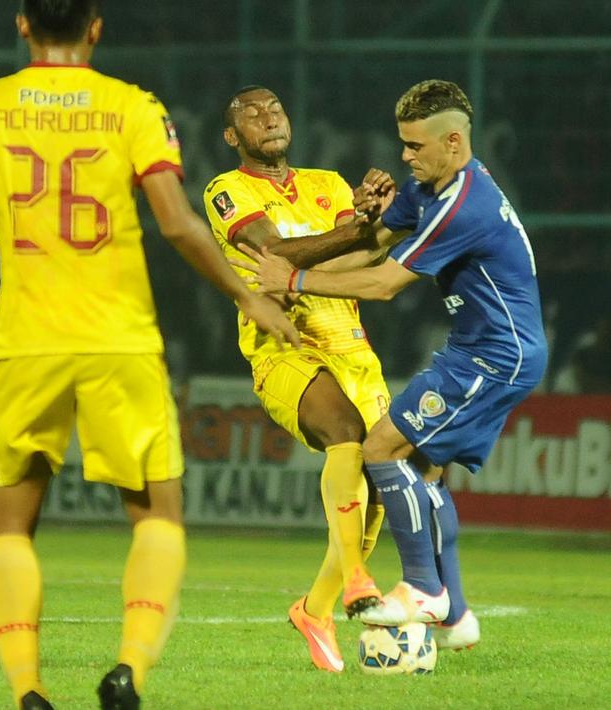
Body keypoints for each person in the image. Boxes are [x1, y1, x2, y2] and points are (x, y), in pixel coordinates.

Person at [0, 3, 299, 709]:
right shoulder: (133, 106)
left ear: (22, 24)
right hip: (120, 338)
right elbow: (177, 223)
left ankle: (28, 688)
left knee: (8, 527)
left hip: (25, 340)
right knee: (155, 516)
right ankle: (128, 670)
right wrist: (245, 297)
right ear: (95, 27)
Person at [235, 79, 548, 651]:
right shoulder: (429, 188)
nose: (405, 156)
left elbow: (383, 283)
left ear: (453, 142)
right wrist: (361, 221)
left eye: (415, 147)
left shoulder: (463, 203)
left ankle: (423, 591)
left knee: (379, 449)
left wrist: (296, 279)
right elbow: (372, 243)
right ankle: (454, 617)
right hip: (480, 348)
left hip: (495, 354)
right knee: (424, 472)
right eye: (403, 145)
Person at [203, 85, 390, 673]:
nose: (268, 118)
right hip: (282, 348)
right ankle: (357, 576)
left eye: (276, 108)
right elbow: (274, 256)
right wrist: (356, 232)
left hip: (354, 350)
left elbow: (363, 260)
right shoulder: (225, 190)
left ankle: (314, 608)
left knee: (382, 488)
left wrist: (376, 221)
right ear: (233, 137)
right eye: (250, 115)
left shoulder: (329, 183)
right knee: (345, 430)